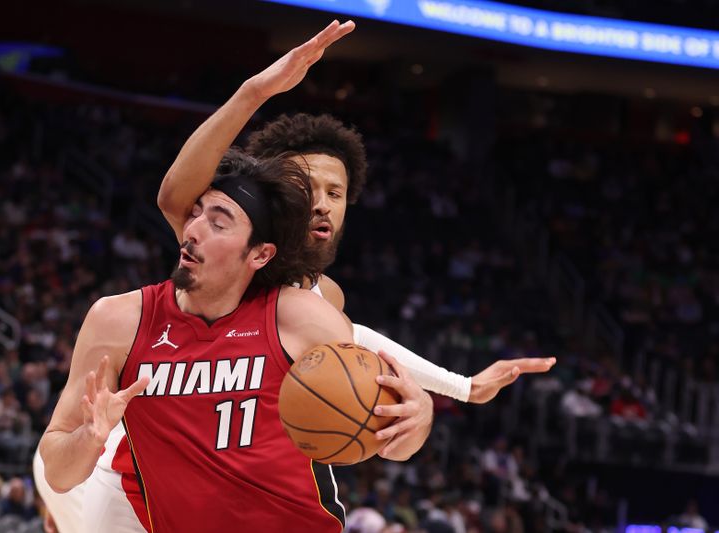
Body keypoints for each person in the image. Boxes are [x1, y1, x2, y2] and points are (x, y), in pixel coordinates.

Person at [38, 19, 555, 532]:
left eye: (337, 193)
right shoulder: (215, 241)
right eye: (310, 189)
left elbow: (364, 350)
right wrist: (255, 92)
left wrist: (431, 401)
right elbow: (174, 196)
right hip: (142, 481)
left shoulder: (310, 300)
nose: (323, 205)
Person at [40, 150, 434, 532]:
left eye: (218, 221)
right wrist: (89, 439)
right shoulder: (120, 321)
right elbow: (57, 472)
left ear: (260, 254)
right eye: (195, 213)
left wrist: (420, 416)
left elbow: (389, 438)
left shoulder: (298, 318)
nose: (192, 229)